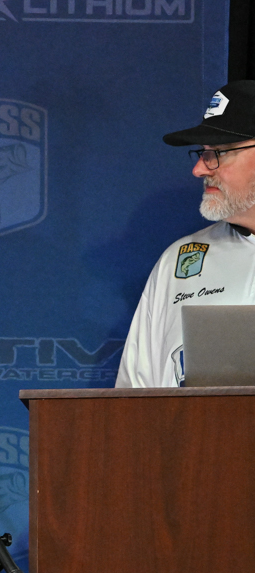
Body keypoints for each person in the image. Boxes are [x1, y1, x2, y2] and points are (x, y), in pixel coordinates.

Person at [117, 81, 255, 388]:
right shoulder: (181, 258)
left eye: (217, 153)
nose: (199, 170)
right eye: (202, 153)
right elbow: (134, 396)